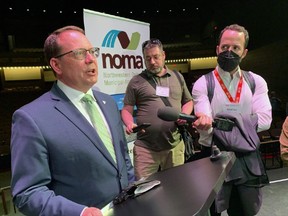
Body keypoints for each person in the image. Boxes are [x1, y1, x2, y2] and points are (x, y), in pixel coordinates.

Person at [10, 25, 134, 216]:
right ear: (56, 65)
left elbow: (123, 159)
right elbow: (28, 193)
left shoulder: (108, 103)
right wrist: (80, 212)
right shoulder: (30, 118)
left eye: (92, 51)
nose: (91, 59)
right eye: (79, 53)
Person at [192, 24, 272, 216]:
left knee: (244, 211)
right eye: (225, 47)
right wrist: (242, 124)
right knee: (213, 212)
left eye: (235, 48)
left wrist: (220, 123)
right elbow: (206, 124)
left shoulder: (256, 82)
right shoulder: (203, 83)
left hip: (245, 158)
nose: (229, 52)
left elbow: (265, 120)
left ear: (244, 52)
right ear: (217, 49)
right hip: (213, 156)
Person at [121, 38, 193, 180]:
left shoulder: (177, 77)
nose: (152, 62)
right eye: (148, 58)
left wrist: (184, 114)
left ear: (164, 55)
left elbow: (188, 101)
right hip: (145, 149)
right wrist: (129, 123)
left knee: (176, 187)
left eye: (156, 57)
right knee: (144, 190)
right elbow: (126, 109)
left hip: (174, 146)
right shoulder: (136, 81)